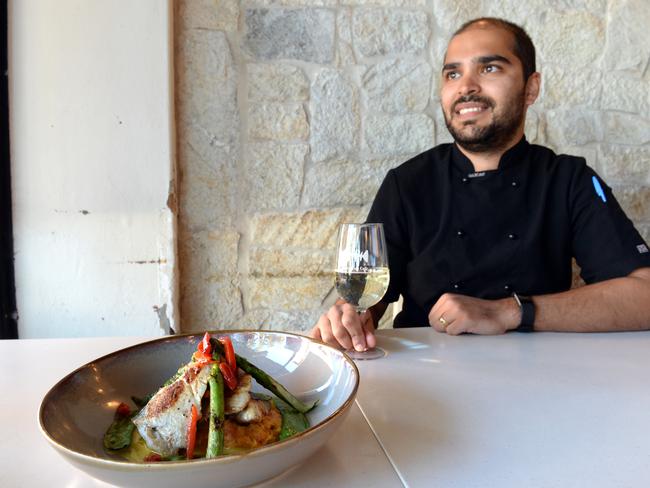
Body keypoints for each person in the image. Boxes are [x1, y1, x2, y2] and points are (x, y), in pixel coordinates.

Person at [310, 17, 650, 352]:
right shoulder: (407, 183)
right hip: (426, 376)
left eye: (489, 69)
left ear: (531, 88)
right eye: (453, 73)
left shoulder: (567, 180)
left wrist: (510, 311)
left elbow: (644, 295)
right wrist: (350, 318)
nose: (466, 86)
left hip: (542, 375)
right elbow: (367, 297)